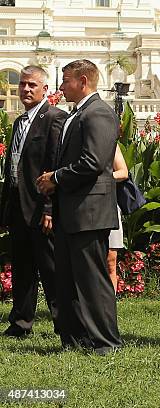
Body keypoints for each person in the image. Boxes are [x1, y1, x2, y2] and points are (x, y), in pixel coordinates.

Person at [37, 59, 122, 355]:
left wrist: (56, 178)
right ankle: (75, 339)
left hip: (89, 212)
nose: (61, 87)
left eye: (65, 81)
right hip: (70, 211)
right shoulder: (78, 114)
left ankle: (105, 342)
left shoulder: (98, 113)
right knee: (68, 279)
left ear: (83, 81)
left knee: (91, 279)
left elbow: (94, 162)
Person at [0, 66, 67, 337]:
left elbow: (53, 165)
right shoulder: (18, 122)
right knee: (22, 268)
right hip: (18, 205)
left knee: (51, 270)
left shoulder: (54, 118)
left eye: (32, 85)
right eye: (23, 84)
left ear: (44, 90)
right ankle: (21, 323)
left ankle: (64, 325)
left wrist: (49, 208)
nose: (26, 89)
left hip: (42, 208)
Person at [108, 145, 128, 293]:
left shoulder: (111, 144)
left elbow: (123, 172)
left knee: (110, 260)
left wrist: (99, 177)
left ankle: (109, 308)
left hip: (108, 205)